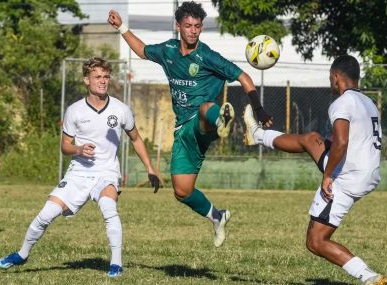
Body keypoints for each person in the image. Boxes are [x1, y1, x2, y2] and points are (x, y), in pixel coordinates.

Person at [108, 1, 272, 248]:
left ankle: (221, 120)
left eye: (197, 26)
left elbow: (243, 77)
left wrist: (258, 108)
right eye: (188, 26)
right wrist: (122, 27)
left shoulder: (207, 56)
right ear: (178, 27)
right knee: (182, 191)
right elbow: (142, 51)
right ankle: (217, 216)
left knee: (205, 109)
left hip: (203, 121)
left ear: (201, 28)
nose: (193, 30)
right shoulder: (168, 51)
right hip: (182, 131)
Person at [0, 57, 160, 277]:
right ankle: (22, 254)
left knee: (108, 207)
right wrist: (78, 149)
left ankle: (116, 264)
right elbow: (65, 146)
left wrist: (150, 167)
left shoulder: (121, 110)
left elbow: (136, 139)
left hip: (106, 172)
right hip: (78, 173)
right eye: (97, 77)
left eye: (105, 77)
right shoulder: (74, 111)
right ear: (86, 80)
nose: (102, 81)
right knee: (47, 214)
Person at [243, 55, 387, 285]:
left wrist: (328, 176)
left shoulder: (342, 103)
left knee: (315, 241)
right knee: (311, 139)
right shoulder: (368, 102)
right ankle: (258, 135)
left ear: (336, 77)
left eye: (330, 79)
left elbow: (341, 142)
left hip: (348, 176)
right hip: (368, 170)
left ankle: (369, 276)